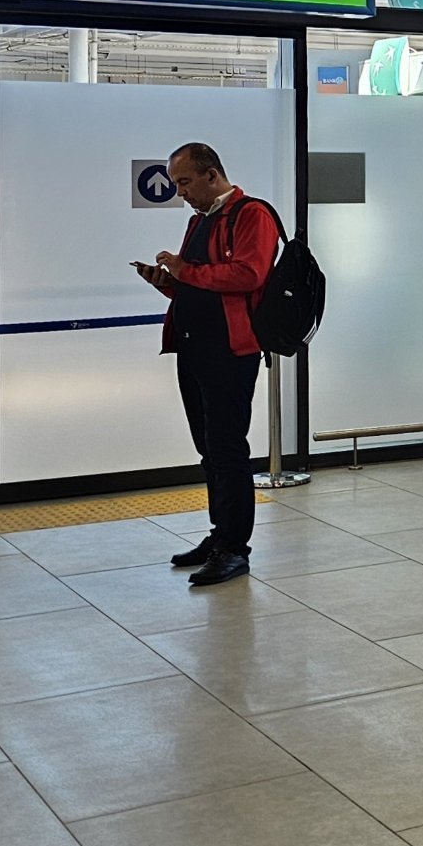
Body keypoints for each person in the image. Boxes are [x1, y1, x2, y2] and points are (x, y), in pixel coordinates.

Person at [134, 142, 278, 587]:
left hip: (230, 352)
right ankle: (220, 535)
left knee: (228, 449)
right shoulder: (199, 221)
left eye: (185, 182)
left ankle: (235, 548)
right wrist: (166, 282)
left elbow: (249, 274)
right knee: (208, 449)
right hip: (193, 348)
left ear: (212, 175)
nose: (180, 193)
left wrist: (185, 271)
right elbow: (197, 284)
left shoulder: (252, 215)